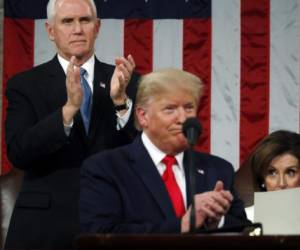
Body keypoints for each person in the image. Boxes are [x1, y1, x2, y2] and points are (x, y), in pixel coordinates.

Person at [4, 0, 139, 249]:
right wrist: (68, 111)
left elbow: (144, 153)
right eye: (67, 21)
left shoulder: (127, 81)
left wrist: (121, 102)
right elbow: (18, 153)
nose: (77, 29)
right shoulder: (24, 85)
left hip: (113, 223)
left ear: (97, 27)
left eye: (85, 20)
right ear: (50, 31)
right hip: (44, 228)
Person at [80, 68, 249, 234]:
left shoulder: (218, 170)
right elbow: (100, 233)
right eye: (170, 109)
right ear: (143, 116)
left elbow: (246, 229)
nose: (183, 118)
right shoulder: (106, 168)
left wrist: (216, 222)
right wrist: (182, 226)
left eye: (189, 108)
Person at [242, 130, 300, 222]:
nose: (281, 183)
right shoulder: (245, 218)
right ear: (262, 180)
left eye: (290, 172)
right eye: (272, 173)